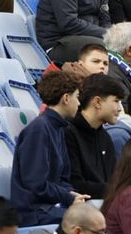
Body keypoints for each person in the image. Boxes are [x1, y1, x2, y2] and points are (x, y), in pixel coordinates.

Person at [10, 69, 84, 225]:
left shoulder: (59, 128)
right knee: (87, 222)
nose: (79, 103)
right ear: (66, 98)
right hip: (33, 212)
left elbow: (63, 178)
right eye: (77, 97)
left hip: (48, 207)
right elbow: (36, 184)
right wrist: (67, 197)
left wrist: (72, 195)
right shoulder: (39, 129)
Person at [67, 74, 127, 199]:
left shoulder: (105, 138)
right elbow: (74, 184)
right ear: (97, 102)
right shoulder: (68, 133)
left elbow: (113, 180)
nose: (119, 109)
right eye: (116, 101)